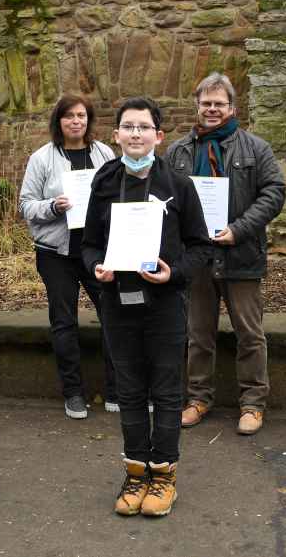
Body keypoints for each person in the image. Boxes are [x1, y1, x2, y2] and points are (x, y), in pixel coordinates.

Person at [82, 97, 208, 517]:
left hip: (164, 305)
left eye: (143, 127)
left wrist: (172, 274)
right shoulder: (103, 182)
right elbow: (88, 245)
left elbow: (200, 249)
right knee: (130, 390)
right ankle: (136, 473)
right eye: (127, 127)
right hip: (117, 303)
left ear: (159, 135)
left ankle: (164, 476)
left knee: (167, 392)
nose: (135, 134)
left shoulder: (179, 184)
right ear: (115, 135)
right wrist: (96, 267)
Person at [165, 73, 286, 436]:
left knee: (249, 333)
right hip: (196, 258)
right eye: (206, 103)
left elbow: (274, 193)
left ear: (232, 107)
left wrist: (239, 228)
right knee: (197, 333)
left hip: (241, 252)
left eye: (219, 104)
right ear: (197, 106)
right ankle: (198, 398)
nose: (212, 109)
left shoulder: (255, 148)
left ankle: (252, 404)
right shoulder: (177, 152)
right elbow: (165, 198)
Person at [19, 96, 118, 419]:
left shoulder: (104, 153)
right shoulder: (42, 158)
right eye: (69, 116)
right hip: (56, 254)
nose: (76, 121)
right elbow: (26, 205)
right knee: (64, 322)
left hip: (97, 252)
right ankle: (73, 393)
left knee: (113, 317)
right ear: (58, 121)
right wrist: (52, 206)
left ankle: (117, 389)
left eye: (81, 116)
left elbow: (119, 195)